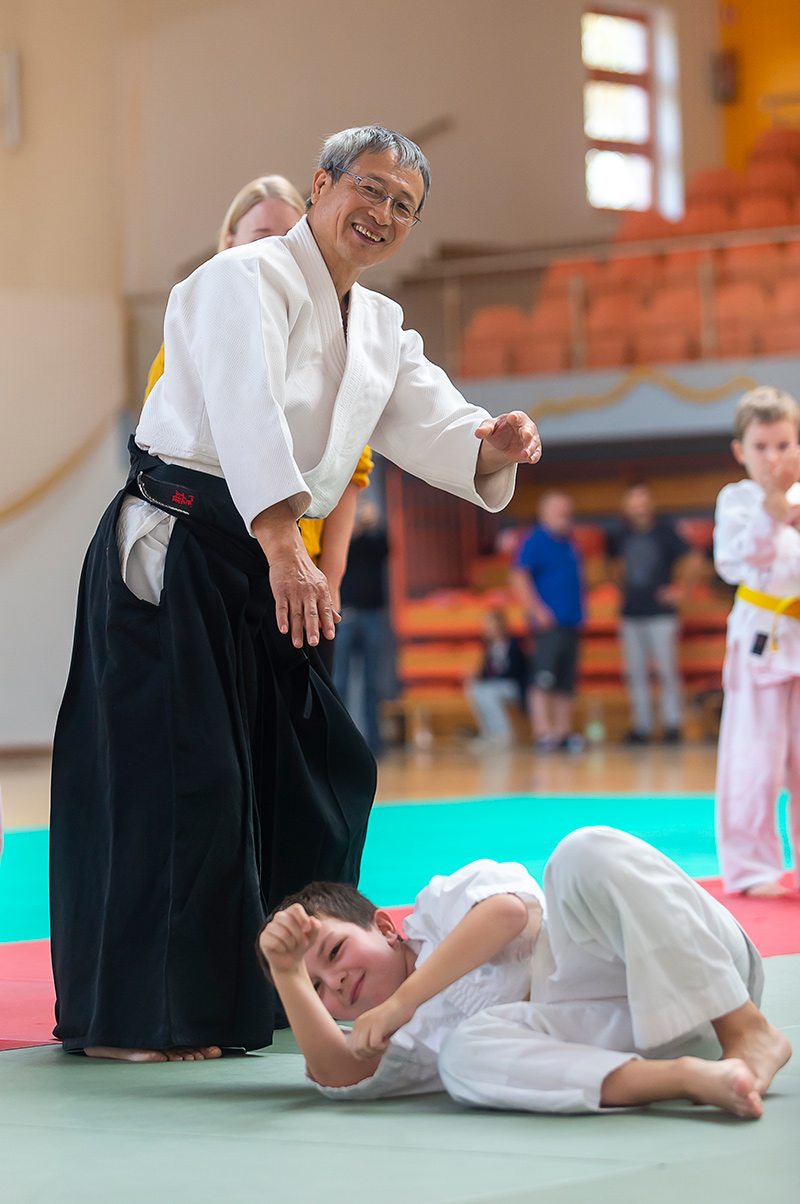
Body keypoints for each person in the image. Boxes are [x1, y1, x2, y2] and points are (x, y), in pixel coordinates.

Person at [49, 125, 542, 1063]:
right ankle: (144, 1018)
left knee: (318, 774)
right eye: (371, 189)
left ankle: (281, 988)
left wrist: (492, 445)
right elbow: (244, 408)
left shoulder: (381, 324)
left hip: (272, 565)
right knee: (186, 782)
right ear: (323, 184)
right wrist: (284, 542)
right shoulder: (238, 280)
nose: (384, 213)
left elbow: (430, 416)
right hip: (184, 546)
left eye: (404, 206)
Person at [257, 826, 791, 1118]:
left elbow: (508, 912)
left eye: (334, 953)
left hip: (697, 977)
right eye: (317, 988)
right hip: (640, 1043)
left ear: (384, 927)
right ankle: (692, 1078)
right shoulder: (399, 1045)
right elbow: (340, 1072)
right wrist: (287, 972)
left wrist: (404, 1000)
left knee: (581, 852)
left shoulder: (438, 908)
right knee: (463, 1058)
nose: (336, 982)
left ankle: (745, 1029)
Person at [142, 173, 374, 674]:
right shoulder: (189, 337)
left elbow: (350, 474)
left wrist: (330, 580)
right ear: (228, 243)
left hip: (303, 581)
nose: (275, 251)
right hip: (214, 563)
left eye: (289, 238)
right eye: (261, 236)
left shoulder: (336, 344)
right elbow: (165, 458)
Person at [714, 386, 800, 897]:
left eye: (783, 445)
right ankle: (751, 869)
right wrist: (773, 508)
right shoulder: (738, 500)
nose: (772, 458)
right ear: (740, 451)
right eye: (761, 446)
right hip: (761, 636)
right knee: (755, 756)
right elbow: (739, 560)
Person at [608, 482, 688, 744]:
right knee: (635, 674)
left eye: (642, 498)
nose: (638, 504)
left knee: (667, 671)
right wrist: (620, 588)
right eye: (633, 499)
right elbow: (610, 564)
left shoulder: (665, 531)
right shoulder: (619, 535)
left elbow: (694, 558)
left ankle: (672, 724)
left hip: (661, 614)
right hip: (631, 614)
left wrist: (681, 590)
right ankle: (641, 726)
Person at [511, 492, 584, 751]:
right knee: (542, 678)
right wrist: (536, 610)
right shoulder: (536, 540)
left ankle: (563, 732)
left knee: (565, 682)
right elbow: (518, 575)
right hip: (547, 625)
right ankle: (543, 732)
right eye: (558, 510)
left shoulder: (569, 541)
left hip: (571, 622)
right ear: (544, 513)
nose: (564, 515)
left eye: (566, 509)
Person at [333, 499, 390, 755]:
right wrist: (352, 526)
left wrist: (373, 526)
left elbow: (385, 550)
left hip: (372, 615)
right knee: (339, 680)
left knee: (372, 681)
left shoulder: (375, 539)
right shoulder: (343, 534)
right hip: (345, 614)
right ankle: (339, 740)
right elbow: (341, 549)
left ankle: (374, 743)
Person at [464, 609, 528, 749]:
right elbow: (488, 671)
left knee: (487, 691)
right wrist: (477, 675)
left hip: (515, 685)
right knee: (474, 688)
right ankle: (488, 733)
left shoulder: (515, 643)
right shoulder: (490, 647)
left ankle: (503, 734)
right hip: (497, 685)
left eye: (489, 624)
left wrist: (490, 677)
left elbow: (515, 670)